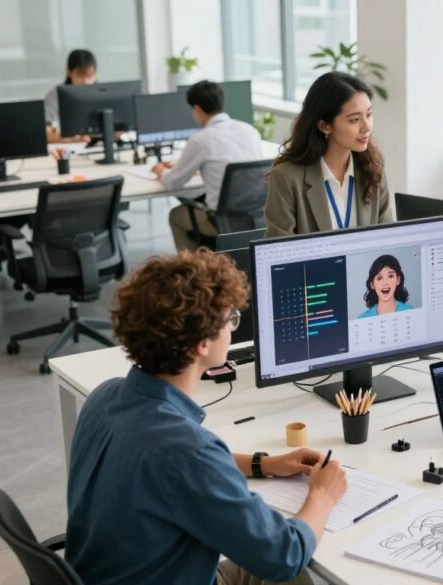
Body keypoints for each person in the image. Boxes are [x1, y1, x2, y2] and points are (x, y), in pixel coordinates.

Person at [65, 250, 347, 585]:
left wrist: (265, 464)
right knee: (297, 575)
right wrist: (323, 495)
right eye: (230, 321)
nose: (232, 329)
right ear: (202, 344)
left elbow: (170, 468)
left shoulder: (104, 397)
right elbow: (284, 556)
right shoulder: (187, 451)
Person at [264, 71, 392, 238]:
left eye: (368, 115)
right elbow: (279, 253)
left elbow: (389, 238)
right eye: (354, 120)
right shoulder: (286, 178)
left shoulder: (372, 169)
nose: (366, 127)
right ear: (325, 126)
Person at [157, 80, 264, 251]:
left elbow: (172, 183)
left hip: (220, 221)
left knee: (176, 216)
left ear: (197, 109)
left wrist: (161, 171)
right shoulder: (249, 130)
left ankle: (196, 272)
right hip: (255, 217)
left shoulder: (201, 140)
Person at [44, 49, 96, 143]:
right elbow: (46, 133)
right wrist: (71, 138)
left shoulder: (102, 93)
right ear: (69, 72)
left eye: (90, 76)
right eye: (80, 76)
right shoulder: (54, 96)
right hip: (68, 147)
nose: (85, 82)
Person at [358, 254, 412, 318]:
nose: (385, 283)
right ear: (372, 284)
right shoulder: (362, 319)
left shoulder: (411, 312)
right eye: (379, 278)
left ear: (398, 280)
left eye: (390, 276)